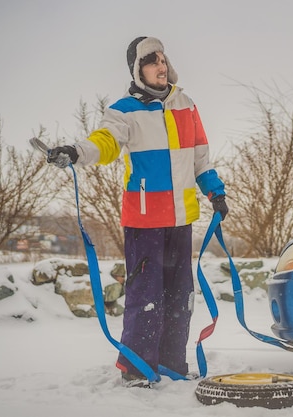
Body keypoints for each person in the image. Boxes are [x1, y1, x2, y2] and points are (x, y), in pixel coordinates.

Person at [47, 36, 228, 388]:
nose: (161, 66)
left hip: (181, 218)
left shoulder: (186, 104)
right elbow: (106, 142)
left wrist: (215, 191)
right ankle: (137, 369)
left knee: (180, 297)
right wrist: (76, 151)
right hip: (144, 221)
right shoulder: (124, 110)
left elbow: (200, 157)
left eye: (162, 59)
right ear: (138, 69)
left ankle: (173, 364)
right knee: (146, 297)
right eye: (151, 61)